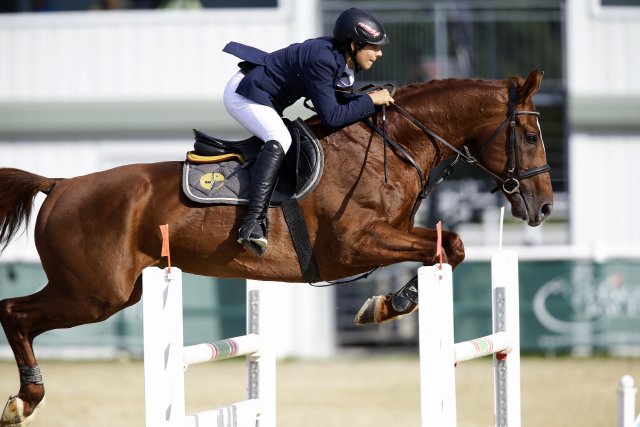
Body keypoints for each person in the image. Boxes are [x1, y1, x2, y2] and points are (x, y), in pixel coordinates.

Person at [223, 7, 394, 256]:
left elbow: (340, 103)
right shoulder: (323, 59)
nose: (378, 53)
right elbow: (332, 117)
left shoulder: (341, 60)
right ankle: (252, 224)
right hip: (244, 94)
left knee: (287, 136)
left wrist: (369, 98)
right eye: (373, 47)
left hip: (264, 97)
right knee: (280, 137)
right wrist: (370, 100)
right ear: (354, 45)